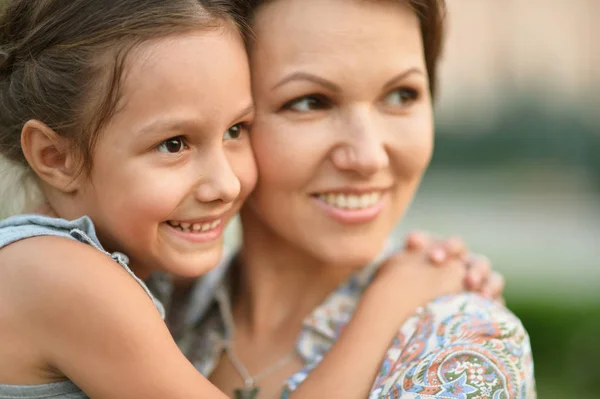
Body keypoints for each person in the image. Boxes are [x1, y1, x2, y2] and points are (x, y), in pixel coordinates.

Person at [0, 0, 504, 398]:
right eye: (174, 144)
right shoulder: (61, 275)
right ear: (55, 156)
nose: (225, 183)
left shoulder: (455, 343)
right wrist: (390, 302)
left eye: (236, 129)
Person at [169, 0, 536, 398]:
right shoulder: (158, 307)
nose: (368, 157)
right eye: (311, 102)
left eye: (401, 95)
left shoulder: (458, 345)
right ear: (226, 122)